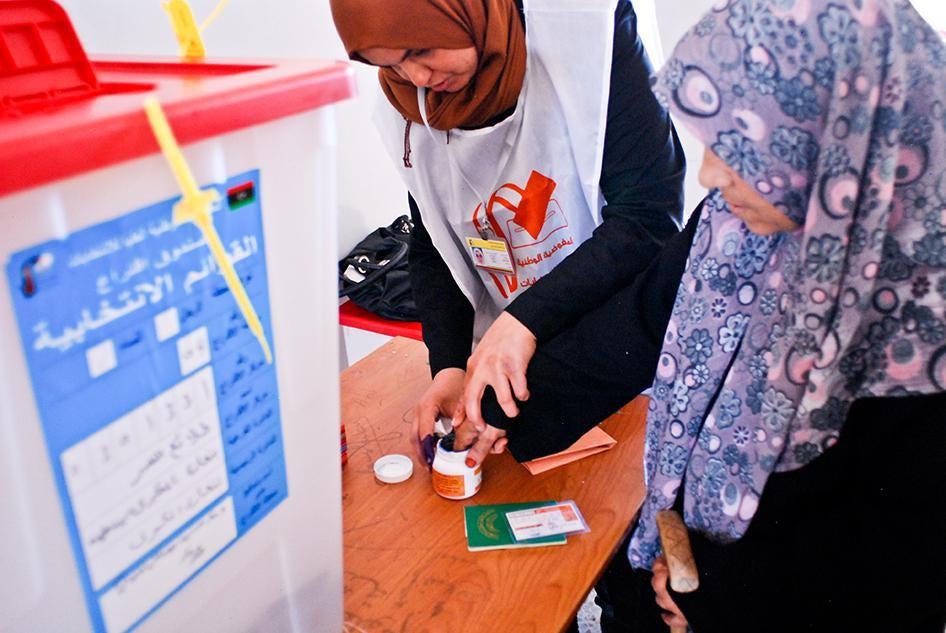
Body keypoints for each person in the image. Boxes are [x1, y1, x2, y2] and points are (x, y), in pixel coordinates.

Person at [458, 0, 946, 630]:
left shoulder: (919, 329)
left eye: (745, 152)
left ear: (843, 144)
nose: (712, 174)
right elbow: (637, 327)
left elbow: (900, 574)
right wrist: (498, 410)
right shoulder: (733, 225)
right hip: (665, 557)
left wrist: (713, 597)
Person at [329, 0, 686, 454]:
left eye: (421, 49)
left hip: (621, 344)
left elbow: (649, 218)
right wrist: (450, 367)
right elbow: (433, 241)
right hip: (510, 360)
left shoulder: (584, 30)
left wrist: (526, 319)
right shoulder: (410, 100)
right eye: (390, 65)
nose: (417, 78)